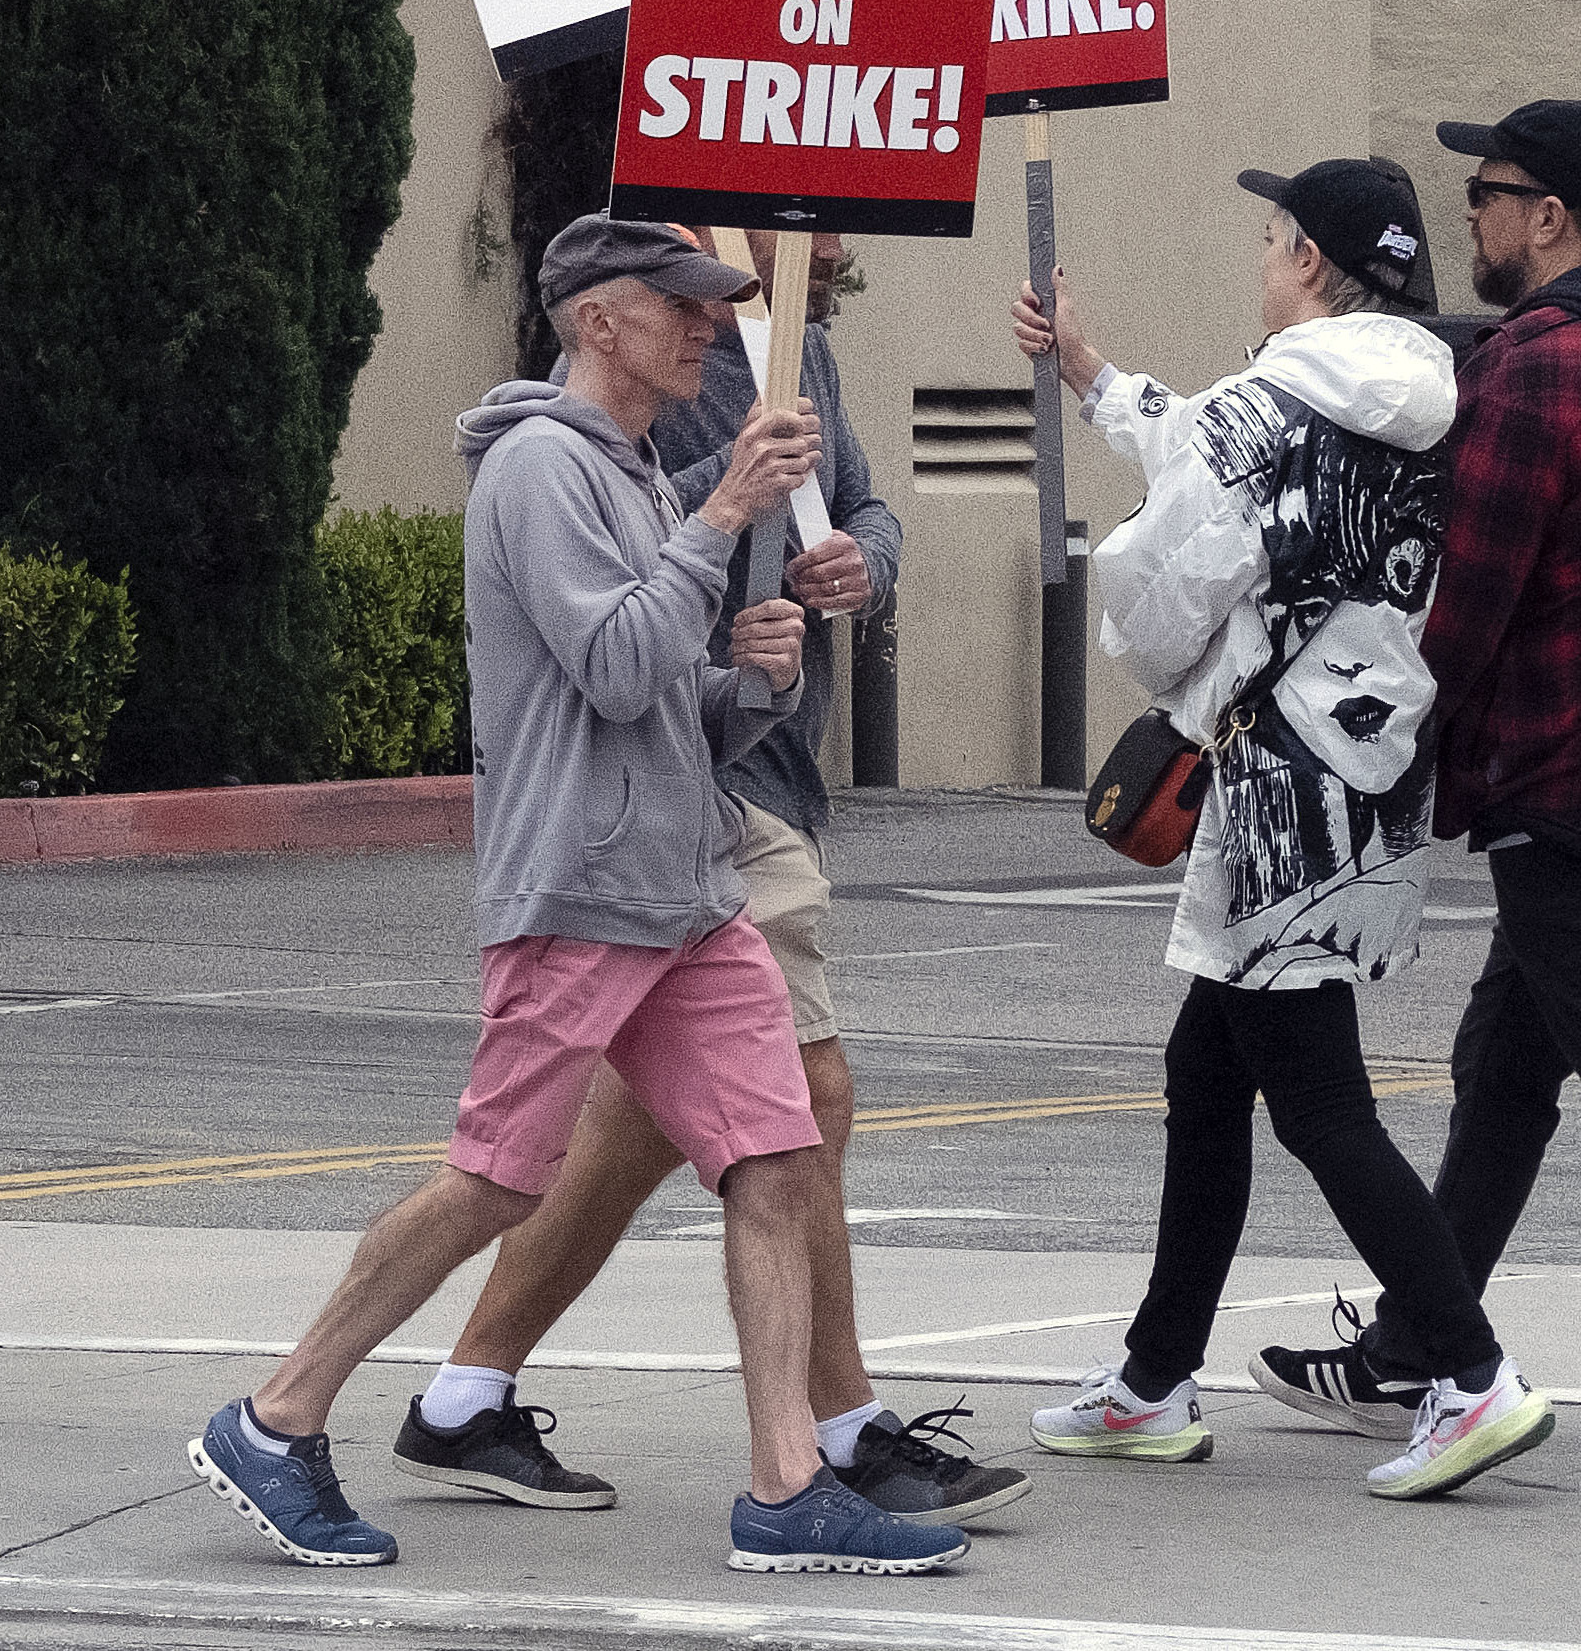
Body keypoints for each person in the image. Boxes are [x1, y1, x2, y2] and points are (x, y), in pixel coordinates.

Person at [191, 216, 962, 1583]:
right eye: (681, 303)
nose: (710, 324)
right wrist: (725, 517)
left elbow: (665, 704)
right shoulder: (543, 466)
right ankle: (278, 1413)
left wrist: (758, 676)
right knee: (496, 1176)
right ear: (596, 318)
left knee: (778, 1159)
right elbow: (610, 666)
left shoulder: (638, 469)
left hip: (686, 884)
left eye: (715, 303)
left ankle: (787, 1482)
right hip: (583, 887)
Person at [382, 232, 1021, 1526]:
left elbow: (857, 503)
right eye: (806, 229)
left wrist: (856, 560)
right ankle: (837, 1429)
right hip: (664, 807)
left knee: (684, 1132)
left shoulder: (802, 350)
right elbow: (617, 627)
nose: (837, 246)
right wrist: (731, 498)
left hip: (742, 757)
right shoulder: (571, 446)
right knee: (786, 1098)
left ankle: (472, 1397)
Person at [1011, 158, 1549, 1499]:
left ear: (1308, 259)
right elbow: (1212, 436)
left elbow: (1167, 565)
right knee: (1211, 1075)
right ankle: (1151, 1377)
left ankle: (1471, 1372)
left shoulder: (1273, 392)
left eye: (1268, 236)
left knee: (1316, 1097)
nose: (1260, 257)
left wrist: (1160, 662)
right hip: (1370, 770)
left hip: (1269, 784)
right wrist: (1095, 371)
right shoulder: (1429, 392)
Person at [1303, 97, 1581, 1432]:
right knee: (1505, 1062)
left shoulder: (1535, 365)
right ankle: (1420, 1331)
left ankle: (1436, 1351)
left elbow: (1464, 599)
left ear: (1549, 216)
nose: (1466, 208)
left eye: (1491, 188)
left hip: (1561, 784)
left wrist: (1396, 753)